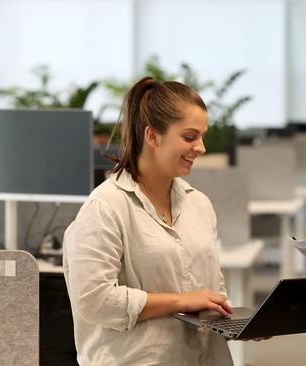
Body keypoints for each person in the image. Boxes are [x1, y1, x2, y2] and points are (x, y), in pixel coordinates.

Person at [63, 77, 235, 365]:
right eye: (190, 137)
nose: (201, 147)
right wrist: (180, 301)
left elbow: (211, 291)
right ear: (152, 136)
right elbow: (93, 301)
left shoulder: (199, 204)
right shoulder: (105, 207)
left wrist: (236, 323)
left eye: (202, 137)